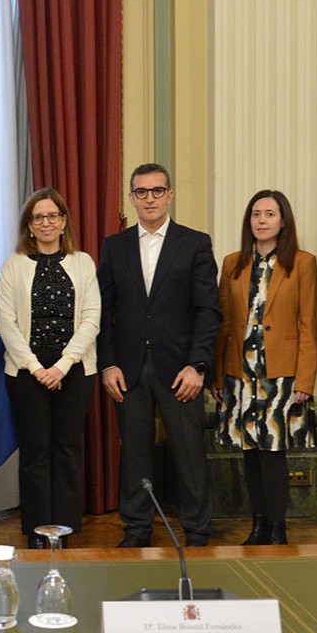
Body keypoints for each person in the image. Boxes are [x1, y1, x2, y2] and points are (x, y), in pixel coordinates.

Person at [97, 163, 221, 548]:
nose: (149, 198)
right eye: (141, 192)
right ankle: (136, 529)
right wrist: (108, 363)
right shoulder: (114, 246)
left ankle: (197, 531)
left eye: (156, 191)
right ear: (132, 198)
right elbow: (102, 310)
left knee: (189, 453)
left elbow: (208, 310)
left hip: (180, 369)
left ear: (169, 195)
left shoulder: (195, 242)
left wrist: (198, 365)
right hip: (128, 368)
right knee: (134, 454)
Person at [211, 190, 317, 545]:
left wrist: (305, 378)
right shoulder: (232, 263)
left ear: (283, 220)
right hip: (240, 374)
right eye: (256, 214)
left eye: (269, 214)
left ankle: (277, 529)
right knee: (250, 453)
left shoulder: (302, 263)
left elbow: (308, 324)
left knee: (274, 452)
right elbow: (223, 322)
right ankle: (257, 526)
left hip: (281, 375)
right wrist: (216, 373)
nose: (261, 220)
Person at [0, 188, 100, 549]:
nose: (46, 223)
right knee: (35, 450)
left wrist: (62, 365)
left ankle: (65, 529)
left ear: (63, 222)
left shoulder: (83, 262)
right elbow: (6, 322)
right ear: (29, 224)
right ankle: (38, 530)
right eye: (38, 217)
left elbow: (91, 318)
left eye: (52, 216)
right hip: (27, 371)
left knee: (66, 448)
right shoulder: (14, 264)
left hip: (74, 367)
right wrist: (35, 367)